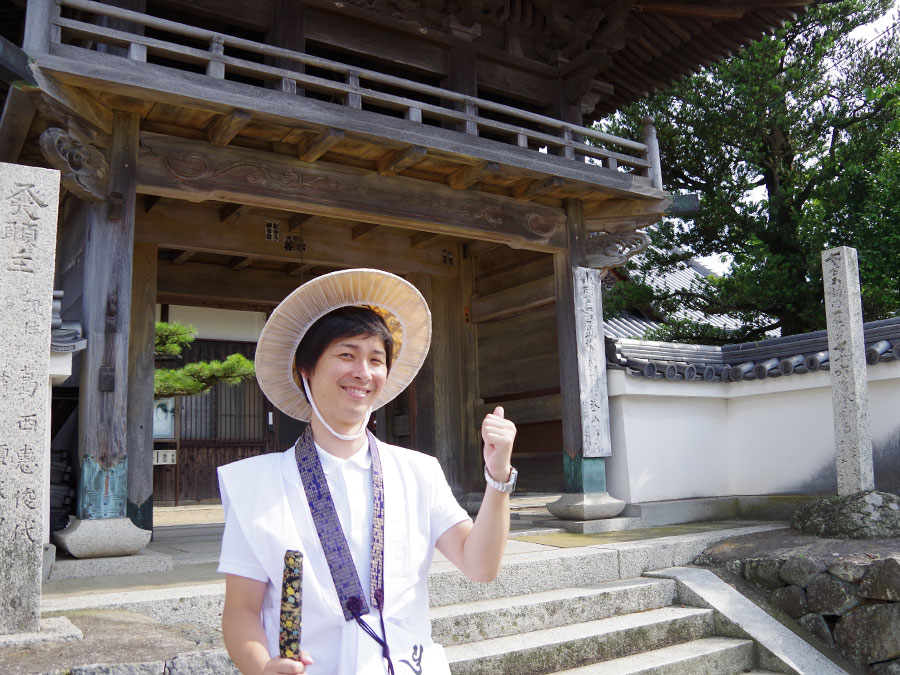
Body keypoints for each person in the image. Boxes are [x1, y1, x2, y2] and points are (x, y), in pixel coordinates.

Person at [217, 268, 517, 675]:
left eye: (376, 359)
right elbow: (241, 610)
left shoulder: (418, 472)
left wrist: (498, 477)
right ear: (306, 369)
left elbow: (480, 567)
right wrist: (261, 667)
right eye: (346, 354)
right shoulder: (257, 484)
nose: (363, 372)